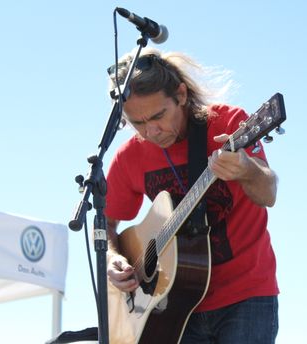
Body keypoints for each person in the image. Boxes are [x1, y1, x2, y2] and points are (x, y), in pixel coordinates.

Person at [104, 47, 280, 344]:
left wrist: (247, 169)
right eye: (137, 123)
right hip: (172, 306)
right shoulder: (129, 157)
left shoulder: (227, 125)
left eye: (158, 115)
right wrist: (112, 256)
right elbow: (106, 224)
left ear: (181, 95)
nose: (151, 131)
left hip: (246, 295)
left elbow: (269, 193)